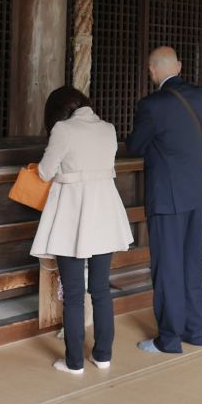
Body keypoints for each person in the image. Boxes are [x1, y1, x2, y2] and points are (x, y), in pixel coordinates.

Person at [29, 86, 133, 374]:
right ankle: (103, 355)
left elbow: (45, 171)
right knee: (100, 289)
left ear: (57, 111)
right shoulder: (109, 128)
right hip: (105, 213)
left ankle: (74, 361)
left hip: (73, 215)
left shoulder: (63, 129)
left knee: (74, 293)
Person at [127, 46, 202, 354]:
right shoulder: (200, 97)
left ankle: (168, 339)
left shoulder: (152, 105)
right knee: (191, 262)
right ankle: (196, 331)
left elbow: (135, 146)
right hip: (198, 191)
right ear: (179, 66)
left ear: (151, 71)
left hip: (168, 197)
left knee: (167, 266)